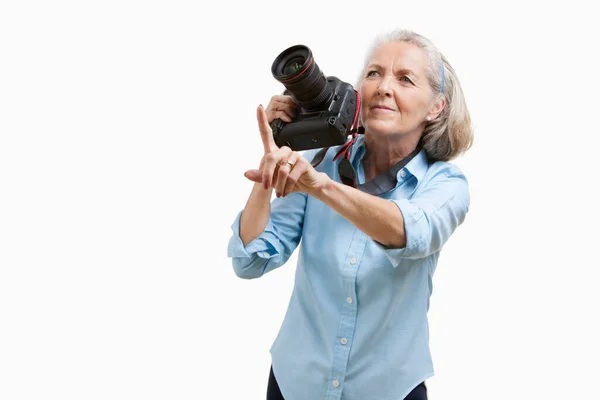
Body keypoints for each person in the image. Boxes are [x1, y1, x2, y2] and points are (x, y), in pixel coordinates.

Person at [227, 28, 474, 400]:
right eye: (374, 73)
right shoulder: (321, 161)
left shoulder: (445, 184)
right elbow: (251, 261)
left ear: (436, 106)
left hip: (388, 389)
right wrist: (271, 167)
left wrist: (320, 187)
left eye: (405, 79)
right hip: (297, 384)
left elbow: (410, 232)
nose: (384, 87)